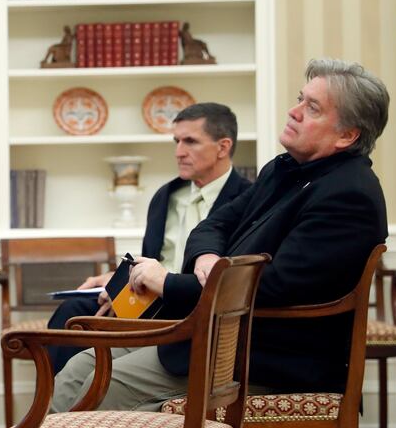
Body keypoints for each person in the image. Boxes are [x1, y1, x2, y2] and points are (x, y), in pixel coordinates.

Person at [0, 58, 389, 428]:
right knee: (85, 362)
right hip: (220, 336)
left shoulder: (349, 193)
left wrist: (174, 283)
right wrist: (207, 260)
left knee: (109, 385)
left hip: (270, 358)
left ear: (346, 135)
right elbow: (214, 224)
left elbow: (275, 288)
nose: (295, 111)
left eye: (313, 107)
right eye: (301, 99)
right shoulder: (284, 170)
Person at [44, 102, 251, 374]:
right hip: (149, 299)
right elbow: (151, 259)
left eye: (190, 142)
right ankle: (55, 411)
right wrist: (117, 282)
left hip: (194, 305)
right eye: (176, 141)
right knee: (74, 311)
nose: (178, 152)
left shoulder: (248, 200)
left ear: (223, 147)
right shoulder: (166, 196)